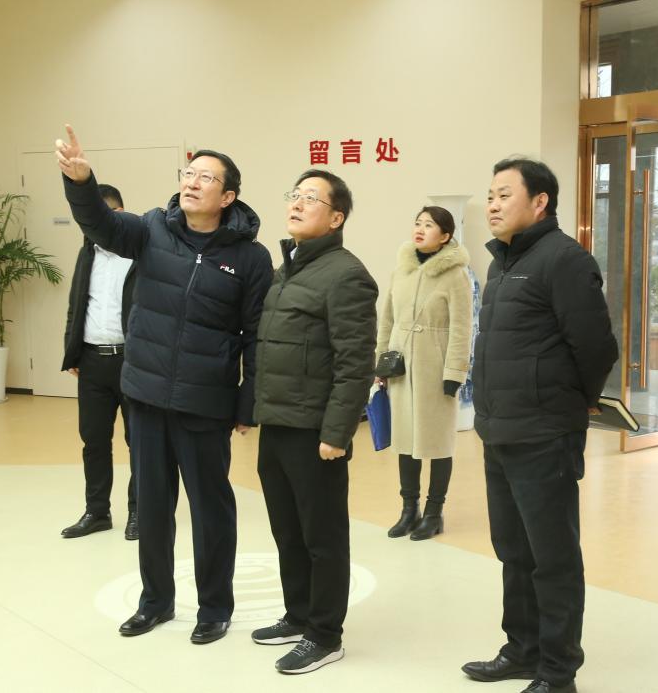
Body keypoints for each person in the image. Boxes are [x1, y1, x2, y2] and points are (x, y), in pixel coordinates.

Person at [56, 126, 273, 645]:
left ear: (228, 196)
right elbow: (101, 224)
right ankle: (154, 601)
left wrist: (247, 404)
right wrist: (82, 183)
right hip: (147, 395)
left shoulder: (250, 258)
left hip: (205, 402)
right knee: (152, 508)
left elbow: (256, 335)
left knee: (210, 510)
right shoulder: (152, 228)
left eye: (206, 178)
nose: (192, 183)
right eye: (189, 173)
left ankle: (215, 607)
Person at [462, 158, 618, 693]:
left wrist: (573, 404)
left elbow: (596, 347)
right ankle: (522, 649)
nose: (492, 205)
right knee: (514, 550)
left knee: (552, 557)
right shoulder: (503, 263)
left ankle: (557, 669)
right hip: (500, 431)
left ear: (540, 201)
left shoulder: (564, 260)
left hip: (544, 434)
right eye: (490, 195)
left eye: (504, 194)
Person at [250, 170, 378, 674]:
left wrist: (336, 433)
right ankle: (298, 615)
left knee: (322, 538)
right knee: (287, 531)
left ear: (336, 217)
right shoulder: (287, 269)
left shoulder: (347, 275)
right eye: (295, 195)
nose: (297, 203)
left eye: (311, 198)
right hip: (277, 423)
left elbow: (355, 363)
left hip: (315, 432)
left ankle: (325, 635)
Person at [376, 205, 473, 541]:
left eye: (429, 225)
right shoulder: (401, 270)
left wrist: (455, 371)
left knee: (438, 442)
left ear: (445, 236)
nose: (419, 229)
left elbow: (462, 328)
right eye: (417, 223)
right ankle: (409, 510)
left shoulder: (457, 276)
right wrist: (380, 361)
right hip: (401, 368)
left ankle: (434, 513)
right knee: (405, 440)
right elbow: (387, 319)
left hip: (436, 368)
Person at [59, 183, 139, 541]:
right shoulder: (86, 253)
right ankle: (97, 511)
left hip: (132, 362)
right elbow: (77, 304)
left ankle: (140, 511)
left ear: (118, 215)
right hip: (92, 362)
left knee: (139, 442)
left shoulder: (139, 253)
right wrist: (73, 350)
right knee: (93, 441)